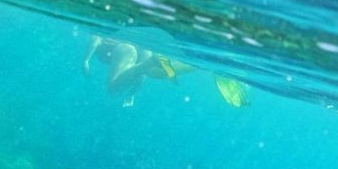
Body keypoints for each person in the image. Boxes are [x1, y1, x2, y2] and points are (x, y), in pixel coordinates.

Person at [83, 35, 249, 108]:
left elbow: (95, 38)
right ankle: (204, 61)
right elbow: (138, 76)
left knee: (113, 89)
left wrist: (86, 60)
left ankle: (153, 61)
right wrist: (132, 94)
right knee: (155, 72)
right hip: (141, 45)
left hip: (124, 48)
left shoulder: (107, 40)